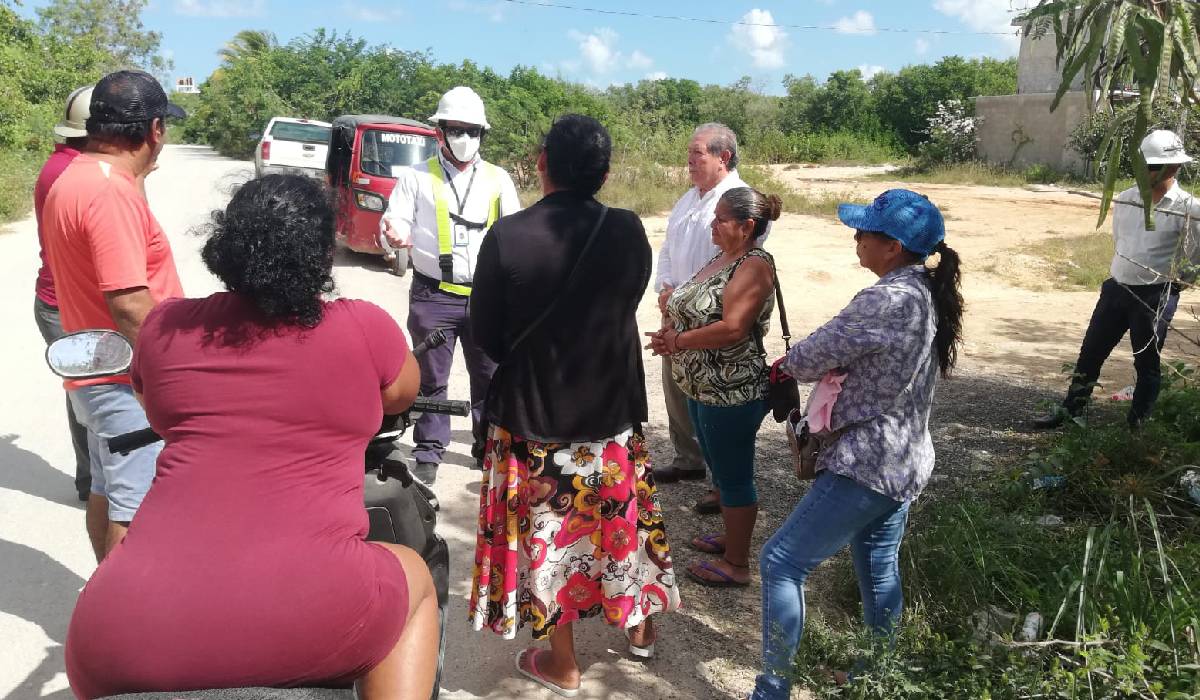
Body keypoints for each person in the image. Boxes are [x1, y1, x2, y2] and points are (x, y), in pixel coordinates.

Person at [64, 175, 439, 700]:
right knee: (415, 577)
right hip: (320, 611)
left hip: (114, 638)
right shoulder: (363, 326)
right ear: (320, 253)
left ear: (227, 244)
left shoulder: (166, 328)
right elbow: (401, 392)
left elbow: (155, 404)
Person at [468, 114, 680, 696]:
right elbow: (626, 300)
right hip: (611, 417)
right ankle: (640, 631)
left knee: (551, 536)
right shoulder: (628, 229)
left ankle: (563, 664)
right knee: (621, 522)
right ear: (605, 174)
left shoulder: (507, 236)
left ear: (541, 162)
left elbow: (484, 333)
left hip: (534, 421)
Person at [751, 189, 963, 699]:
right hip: (904, 460)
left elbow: (814, 353)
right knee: (878, 565)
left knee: (782, 562)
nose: (856, 239)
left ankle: (771, 690)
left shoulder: (887, 299)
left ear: (893, 246)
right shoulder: (924, 291)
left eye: (865, 232)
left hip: (866, 464)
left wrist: (783, 366)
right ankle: (876, 673)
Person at [41, 70, 185, 562]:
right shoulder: (109, 193)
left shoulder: (74, 177)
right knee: (135, 505)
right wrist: (175, 371)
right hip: (127, 378)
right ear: (154, 129)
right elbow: (128, 301)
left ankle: (104, 594)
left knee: (106, 488)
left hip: (95, 368)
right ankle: (120, 624)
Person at [380, 85, 521, 485]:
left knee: (491, 376)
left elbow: (516, 233)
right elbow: (395, 223)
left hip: (486, 297)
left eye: (473, 130)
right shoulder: (416, 177)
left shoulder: (499, 180)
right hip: (433, 293)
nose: (465, 138)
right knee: (430, 378)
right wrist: (393, 235)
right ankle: (429, 451)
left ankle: (487, 446)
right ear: (439, 131)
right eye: (456, 129)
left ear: (483, 134)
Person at [646, 186, 780, 588]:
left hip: (731, 391)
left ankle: (737, 563)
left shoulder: (754, 265)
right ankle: (730, 538)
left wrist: (677, 341)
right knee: (720, 471)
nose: (713, 224)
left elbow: (733, 327)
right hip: (704, 388)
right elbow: (691, 302)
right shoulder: (724, 256)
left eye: (721, 218)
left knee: (735, 476)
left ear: (747, 226)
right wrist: (671, 318)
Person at [1033, 129, 1200, 429]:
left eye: (1152, 166)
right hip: (1116, 288)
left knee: (1146, 361)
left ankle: (1137, 425)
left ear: (1173, 168)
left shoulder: (1188, 209)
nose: (1144, 171)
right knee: (1091, 352)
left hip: (1154, 295)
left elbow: (1193, 257)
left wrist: (1173, 286)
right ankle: (1071, 411)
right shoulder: (1126, 198)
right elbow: (1121, 241)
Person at [654, 123, 759, 517]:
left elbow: (733, 260)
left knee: (710, 394)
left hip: (709, 313)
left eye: (697, 153)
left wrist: (685, 299)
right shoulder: (688, 198)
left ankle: (722, 482)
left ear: (723, 157)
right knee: (677, 387)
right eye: (689, 153)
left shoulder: (740, 200)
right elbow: (667, 247)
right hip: (677, 306)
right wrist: (666, 291)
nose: (689, 160)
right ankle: (688, 459)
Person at [32, 84, 93, 502]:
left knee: (86, 395)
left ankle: (92, 482)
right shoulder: (75, 175)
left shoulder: (65, 165)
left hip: (62, 300)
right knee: (92, 398)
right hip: (66, 304)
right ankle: (96, 485)